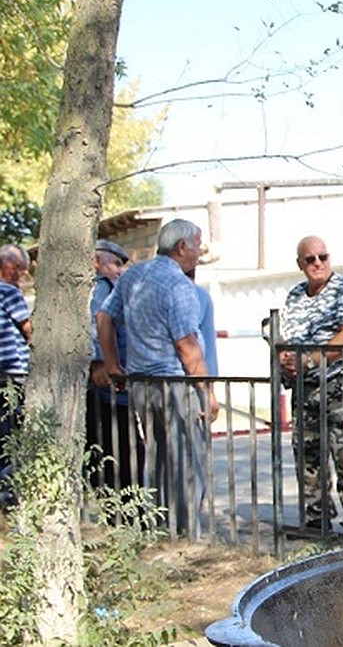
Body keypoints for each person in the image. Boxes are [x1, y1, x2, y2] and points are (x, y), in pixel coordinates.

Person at [97, 220, 218, 535]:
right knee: (187, 462)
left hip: (141, 385)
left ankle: (161, 529)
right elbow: (187, 347)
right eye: (197, 243)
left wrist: (113, 364)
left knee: (159, 460)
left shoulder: (133, 275)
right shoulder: (179, 285)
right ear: (181, 247)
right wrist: (207, 394)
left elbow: (104, 316)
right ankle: (185, 535)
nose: (199, 250)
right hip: (174, 385)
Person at [279, 236, 343, 536]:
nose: (317, 263)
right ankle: (316, 518)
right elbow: (287, 337)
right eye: (310, 259)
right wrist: (287, 360)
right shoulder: (295, 296)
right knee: (308, 454)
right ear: (300, 264)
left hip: (339, 384)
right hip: (304, 389)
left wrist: (308, 359)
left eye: (323, 256)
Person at [85, 239, 144, 498]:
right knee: (122, 453)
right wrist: (100, 364)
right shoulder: (100, 288)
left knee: (117, 453)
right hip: (107, 387)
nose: (120, 270)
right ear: (97, 262)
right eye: (116, 264)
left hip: (113, 385)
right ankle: (125, 513)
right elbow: (94, 323)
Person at [0, 244, 31, 507]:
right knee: (13, 438)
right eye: (20, 269)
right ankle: (11, 496)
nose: (22, 276)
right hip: (13, 375)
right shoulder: (8, 292)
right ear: (7, 266)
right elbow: (30, 330)